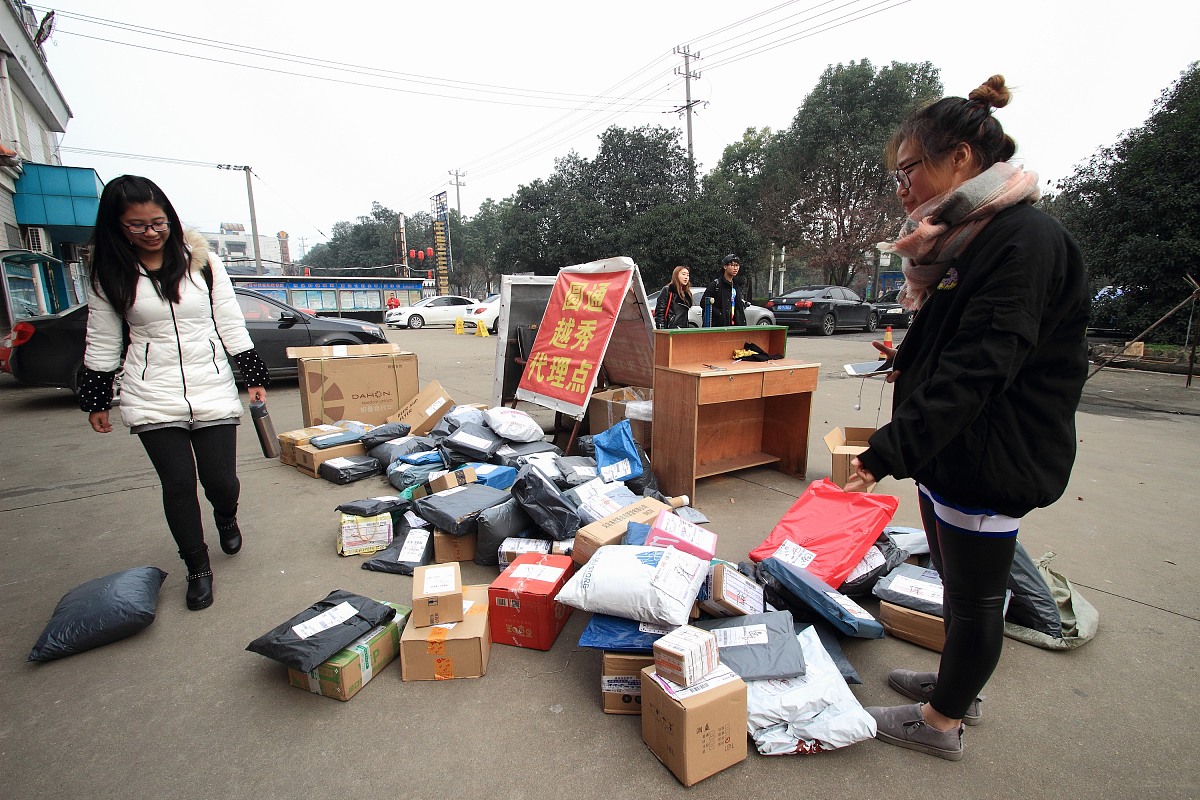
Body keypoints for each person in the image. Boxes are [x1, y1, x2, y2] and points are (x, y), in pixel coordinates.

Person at [845, 76, 1089, 761]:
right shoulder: (967, 239)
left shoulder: (1024, 240)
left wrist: (890, 448)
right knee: (956, 584)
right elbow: (958, 336)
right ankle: (956, 687)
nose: (902, 186)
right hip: (957, 451)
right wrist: (907, 358)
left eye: (910, 168)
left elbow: (983, 362)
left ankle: (942, 720)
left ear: (959, 159)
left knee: (979, 597)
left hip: (993, 452)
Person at [79, 175, 271, 612]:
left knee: (221, 481)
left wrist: (251, 373)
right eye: (137, 225)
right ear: (116, 226)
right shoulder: (108, 272)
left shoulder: (202, 261)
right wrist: (95, 396)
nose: (151, 232)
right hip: (150, 390)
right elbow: (103, 337)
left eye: (158, 222)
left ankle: (226, 514)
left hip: (211, 383)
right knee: (179, 484)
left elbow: (228, 321)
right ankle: (198, 569)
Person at [700, 254, 748, 326]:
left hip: (734, 327)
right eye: (732, 265)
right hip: (719, 328)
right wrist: (719, 314)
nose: (735, 268)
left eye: (737, 265)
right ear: (725, 266)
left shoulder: (736, 285)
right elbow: (703, 303)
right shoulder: (716, 284)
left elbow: (738, 307)